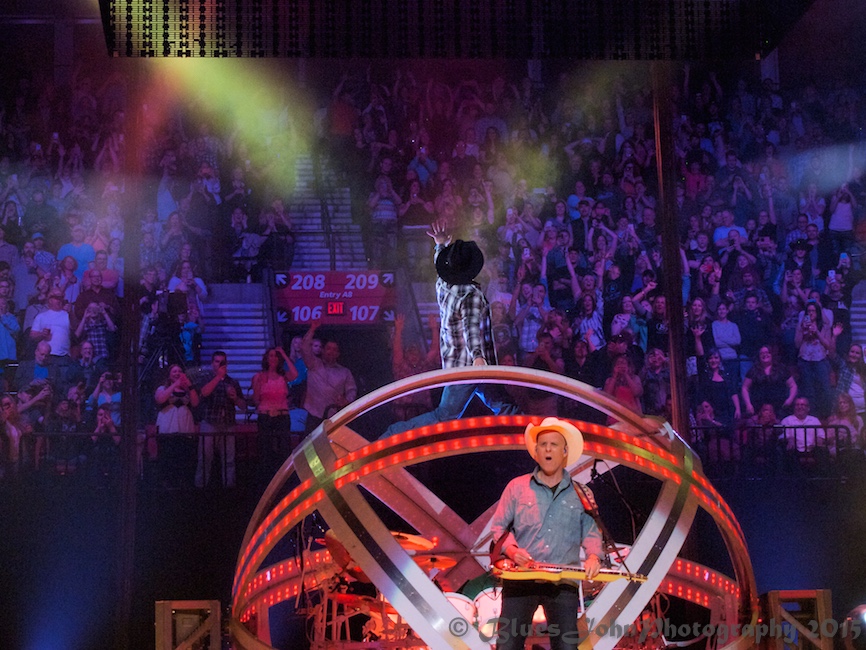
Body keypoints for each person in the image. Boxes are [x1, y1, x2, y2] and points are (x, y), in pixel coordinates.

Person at [381, 222, 516, 438]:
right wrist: (478, 357)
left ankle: (534, 437)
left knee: (506, 407)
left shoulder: (444, 285)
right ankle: (393, 434)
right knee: (445, 416)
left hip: (461, 365)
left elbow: (440, 268)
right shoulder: (470, 294)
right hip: (470, 367)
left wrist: (440, 246)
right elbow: (472, 328)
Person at [488, 418, 602, 650]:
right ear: (536, 452)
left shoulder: (582, 493)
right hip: (521, 579)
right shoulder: (517, 487)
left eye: (554, 444)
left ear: (565, 452)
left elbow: (591, 532)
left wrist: (593, 556)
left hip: (563, 583)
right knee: (508, 645)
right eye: (543, 444)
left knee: (567, 647)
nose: (548, 449)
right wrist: (512, 550)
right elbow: (498, 527)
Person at [196, 351, 245, 488]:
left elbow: (243, 406)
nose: (219, 364)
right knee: (205, 458)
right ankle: (200, 488)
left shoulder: (233, 382)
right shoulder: (207, 378)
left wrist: (235, 398)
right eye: (217, 361)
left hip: (228, 423)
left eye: (222, 362)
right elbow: (204, 393)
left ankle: (228, 489)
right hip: (210, 423)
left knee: (229, 459)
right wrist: (218, 377)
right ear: (212, 364)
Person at [301, 324, 358, 434]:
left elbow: (352, 390)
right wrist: (312, 329)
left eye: (334, 350)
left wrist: (346, 401)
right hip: (313, 415)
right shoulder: (313, 364)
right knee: (311, 450)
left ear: (338, 354)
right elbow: (304, 347)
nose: (331, 352)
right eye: (328, 349)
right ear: (322, 350)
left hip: (334, 417)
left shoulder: (344, 372)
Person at [251, 347, 298, 480]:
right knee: (265, 449)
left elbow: (295, 374)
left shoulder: (283, 376)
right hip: (265, 415)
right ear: (266, 358)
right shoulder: (259, 376)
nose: (273, 358)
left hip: (282, 415)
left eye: (275, 356)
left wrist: (283, 353)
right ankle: (266, 479)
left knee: (284, 448)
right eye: (271, 356)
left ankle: (283, 479)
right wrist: (259, 385)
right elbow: (255, 399)